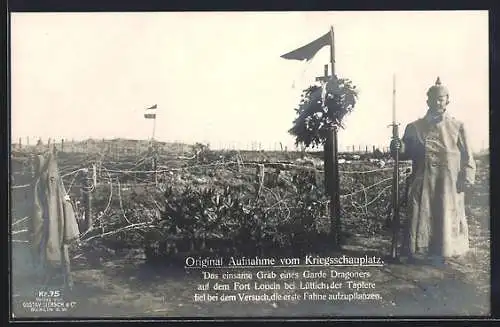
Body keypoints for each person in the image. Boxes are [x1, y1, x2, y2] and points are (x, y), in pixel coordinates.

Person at [390, 77, 476, 264]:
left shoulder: (458, 126)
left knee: (446, 215)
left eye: (441, 98)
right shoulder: (415, 127)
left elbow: (468, 155)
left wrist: (467, 177)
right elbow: (406, 151)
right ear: (427, 100)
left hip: (448, 183)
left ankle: (445, 251)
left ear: (447, 100)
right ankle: (419, 251)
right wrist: (398, 146)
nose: (438, 102)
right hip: (423, 180)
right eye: (434, 98)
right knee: (421, 214)